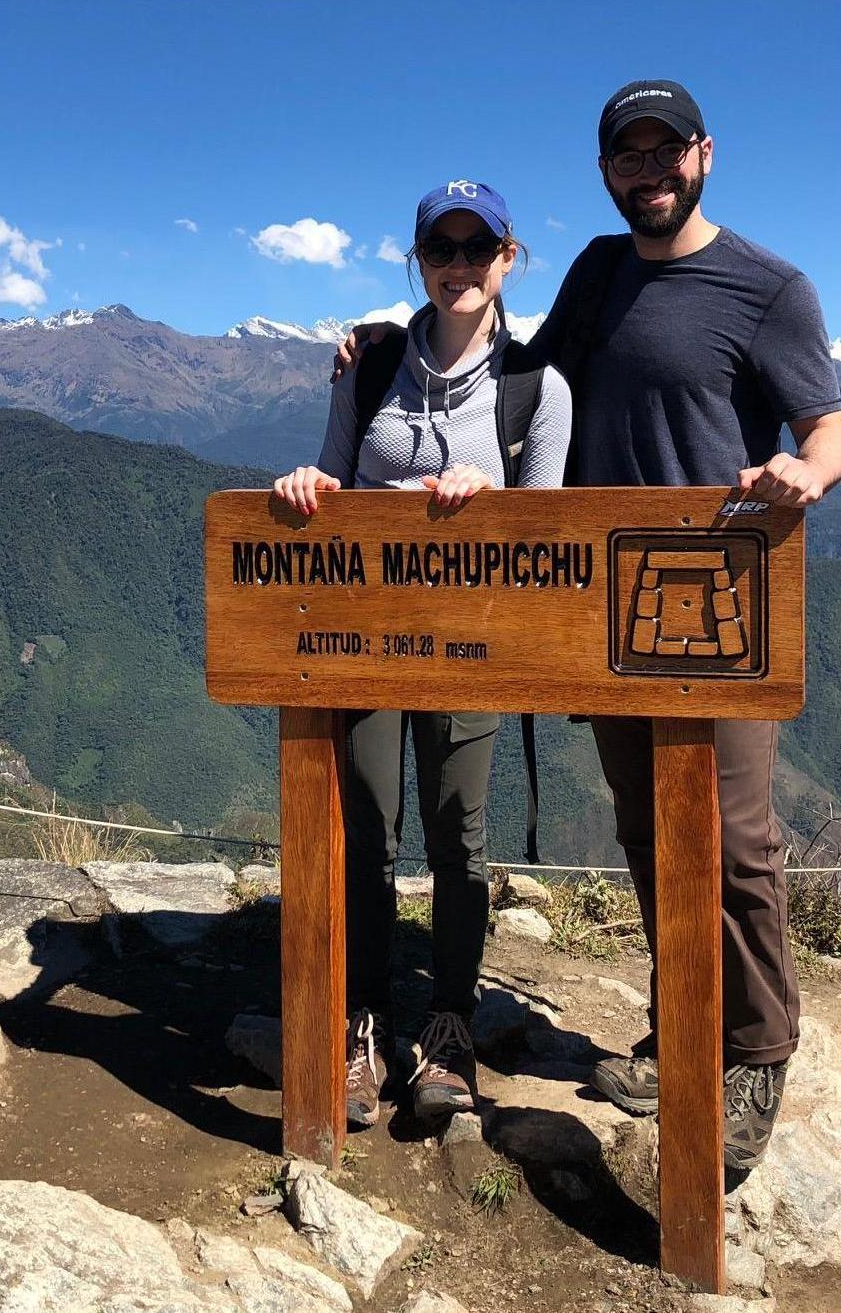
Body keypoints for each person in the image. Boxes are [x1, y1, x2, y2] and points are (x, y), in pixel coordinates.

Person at [333, 82, 841, 1168]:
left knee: (738, 840)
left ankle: (755, 1052)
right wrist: (380, 342)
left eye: (667, 152)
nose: (649, 170)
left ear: (704, 155)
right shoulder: (597, 274)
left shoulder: (768, 287)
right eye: (629, 155)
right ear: (608, 170)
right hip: (605, 606)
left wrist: (803, 472)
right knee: (646, 831)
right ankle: (681, 1035)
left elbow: (828, 424)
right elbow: (508, 359)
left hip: (718, 594)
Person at [275, 180, 571, 1130]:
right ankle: (363, 1022)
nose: (459, 265)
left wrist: (499, 499)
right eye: (440, 249)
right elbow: (326, 476)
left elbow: (548, 544)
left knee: (458, 834)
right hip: (362, 636)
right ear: (418, 262)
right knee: (364, 828)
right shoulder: (367, 365)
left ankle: (449, 1024)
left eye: (476, 248)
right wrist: (303, 486)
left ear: (507, 259)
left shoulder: (538, 390)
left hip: (473, 646)